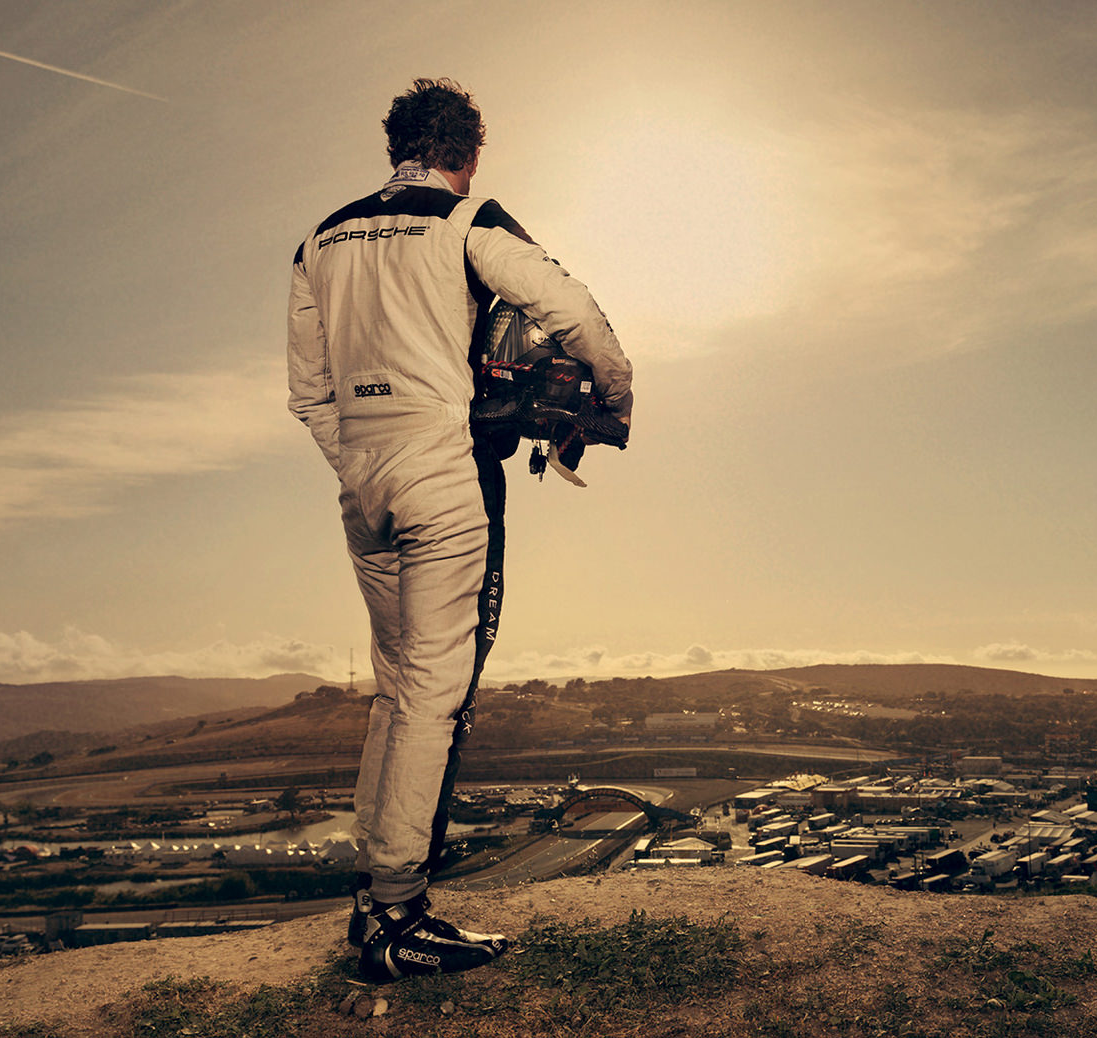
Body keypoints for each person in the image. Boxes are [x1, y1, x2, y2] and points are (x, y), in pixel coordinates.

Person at [286, 77, 632, 981]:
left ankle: (374, 902)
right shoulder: (470, 220)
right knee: (437, 693)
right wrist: (612, 403)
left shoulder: (319, 238)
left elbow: (309, 392)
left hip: (362, 477)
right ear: (467, 153)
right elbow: (579, 314)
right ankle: (398, 914)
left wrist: (361, 458)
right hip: (444, 471)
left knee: (395, 687)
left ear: (395, 146)